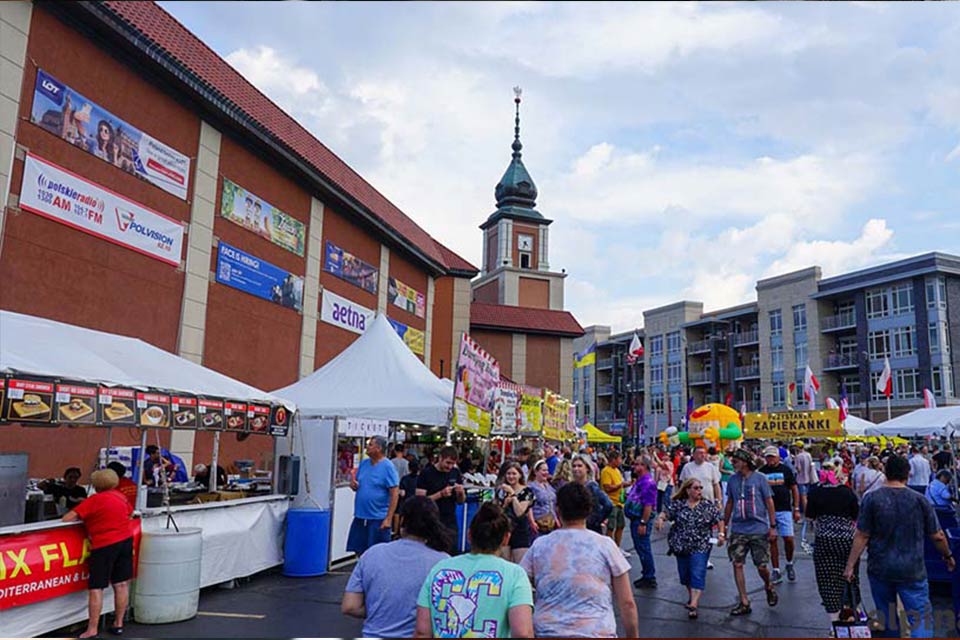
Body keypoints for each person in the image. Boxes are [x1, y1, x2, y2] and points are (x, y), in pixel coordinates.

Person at [844, 455, 955, 638]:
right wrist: (948, 556)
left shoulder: (871, 499)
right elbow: (937, 536)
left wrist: (850, 566)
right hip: (912, 570)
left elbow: (862, 535)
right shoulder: (920, 500)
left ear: (885, 472)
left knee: (887, 619)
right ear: (908, 474)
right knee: (920, 618)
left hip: (880, 569)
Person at [520, 483, 639, 638]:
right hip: (596, 631)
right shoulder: (606, 545)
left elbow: (519, 583)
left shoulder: (540, 545)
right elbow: (627, 603)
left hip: (548, 631)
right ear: (589, 510)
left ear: (558, 510)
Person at [415, 502, 534, 638]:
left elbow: (422, 632)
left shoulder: (439, 569)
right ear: (506, 539)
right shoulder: (515, 575)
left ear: (469, 535)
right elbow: (523, 633)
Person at [343, 497, 451, 638]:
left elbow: (350, 606)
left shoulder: (372, 553)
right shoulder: (443, 562)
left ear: (402, 520)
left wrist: (380, 611)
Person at [62, 469, 134, 638]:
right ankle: (118, 623)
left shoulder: (94, 500)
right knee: (121, 583)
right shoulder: (120, 496)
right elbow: (129, 513)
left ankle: (92, 628)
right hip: (125, 541)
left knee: (96, 587)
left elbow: (67, 519)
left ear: (95, 485)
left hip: (104, 544)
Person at [654, 478, 725, 619]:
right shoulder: (679, 504)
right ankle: (691, 596)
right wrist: (660, 519)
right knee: (685, 575)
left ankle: (694, 603)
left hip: (701, 544)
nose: (699, 490)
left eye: (700, 488)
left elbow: (719, 519)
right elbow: (666, 513)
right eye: (696, 488)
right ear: (687, 490)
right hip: (681, 545)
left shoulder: (706, 505)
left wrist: (721, 534)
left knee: (697, 572)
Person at [724, 448, 778, 615]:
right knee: (737, 563)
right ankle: (744, 601)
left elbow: (769, 502)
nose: (733, 464)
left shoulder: (760, 479)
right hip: (739, 528)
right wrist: (724, 525)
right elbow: (730, 503)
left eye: (736, 461)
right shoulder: (733, 480)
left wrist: (772, 526)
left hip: (758, 528)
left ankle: (768, 585)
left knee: (761, 566)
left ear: (745, 462)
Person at [805, 467, 860, 622]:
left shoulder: (816, 492)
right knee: (850, 577)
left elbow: (809, 516)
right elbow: (856, 515)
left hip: (825, 541)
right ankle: (850, 614)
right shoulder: (848, 492)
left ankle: (834, 621)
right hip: (847, 541)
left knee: (827, 580)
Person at [347, 435, 399, 556]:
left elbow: (394, 494)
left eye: (370, 445)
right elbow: (358, 484)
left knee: (377, 553)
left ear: (378, 448)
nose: (367, 447)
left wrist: (388, 519)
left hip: (378, 518)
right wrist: (354, 485)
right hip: (361, 516)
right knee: (359, 550)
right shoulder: (364, 464)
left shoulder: (388, 467)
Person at [758, 446, 801, 583]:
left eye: (772, 457)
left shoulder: (785, 470)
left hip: (784, 509)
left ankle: (789, 563)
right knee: (772, 539)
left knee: (788, 538)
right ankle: (776, 569)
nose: (770, 460)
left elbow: (794, 489)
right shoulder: (762, 472)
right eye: (768, 457)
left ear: (778, 457)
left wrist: (796, 508)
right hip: (768, 510)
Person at [416, 445, 466, 549]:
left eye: (453, 464)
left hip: (450, 521)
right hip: (431, 521)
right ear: (440, 458)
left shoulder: (455, 473)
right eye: (448, 463)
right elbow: (419, 501)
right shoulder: (427, 473)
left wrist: (460, 493)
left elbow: (461, 502)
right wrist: (440, 494)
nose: (450, 467)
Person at [627, 456, 660, 589]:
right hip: (636, 518)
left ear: (645, 466)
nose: (635, 467)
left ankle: (649, 576)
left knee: (644, 547)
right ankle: (647, 573)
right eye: (635, 464)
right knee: (641, 547)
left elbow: (648, 505)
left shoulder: (647, 483)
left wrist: (643, 522)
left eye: (638, 465)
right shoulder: (640, 481)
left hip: (640, 519)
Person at [496, 461, 536, 563]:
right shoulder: (501, 491)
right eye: (508, 473)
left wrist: (513, 496)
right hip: (505, 529)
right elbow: (497, 511)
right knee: (504, 563)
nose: (511, 476)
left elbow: (520, 513)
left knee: (520, 564)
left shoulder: (527, 491)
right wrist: (504, 504)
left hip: (521, 531)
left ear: (520, 475)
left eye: (514, 474)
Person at [599, 449, 632, 556]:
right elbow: (607, 487)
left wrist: (628, 484)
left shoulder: (617, 471)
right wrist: (620, 485)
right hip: (611, 503)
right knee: (611, 527)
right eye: (619, 459)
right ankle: (608, 549)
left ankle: (617, 547)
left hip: (619, 502)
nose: (621, 461)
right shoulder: (606, 471)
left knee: (620, 525)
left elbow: (620, 484)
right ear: (613, 459)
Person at [572, 454, 612, 534]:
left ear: (587, 468)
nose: (576, 468)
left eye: (580, 466)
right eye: (574, 466)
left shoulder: (591, 486)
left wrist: (597, 521)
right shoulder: (572, 487)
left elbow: (608, 504)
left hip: (591, 530)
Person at [793, 441, 816, 551]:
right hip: (809, 478)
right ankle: (810, 514)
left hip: (801, 479)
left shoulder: (798, 457)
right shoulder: (808, 455)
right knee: (808, 496)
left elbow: (798, 469)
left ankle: (807, 515)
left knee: (803, 497)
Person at [528, 460, 560, 536]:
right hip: (538, 523)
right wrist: (532, 522)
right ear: (536, 472)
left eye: (547, 470)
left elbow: (552, 505)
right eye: (543, 470)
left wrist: (556, 519)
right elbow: (529, 506)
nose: (546, 472)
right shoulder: (531, 487)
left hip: (551, 524)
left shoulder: (549, 487)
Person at [653, 449, 676, 513]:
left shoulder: (670, 463)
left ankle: (669, 512)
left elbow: (662, 465)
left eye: (667, 455)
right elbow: (653, 464)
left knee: (666, 498)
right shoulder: (661, 462)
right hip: (660, 483)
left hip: (667, 483)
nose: (665, 456)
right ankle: (659, 511)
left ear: (670, 458)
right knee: (659, 498)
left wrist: (656, 456)